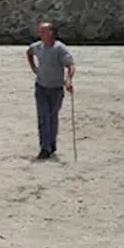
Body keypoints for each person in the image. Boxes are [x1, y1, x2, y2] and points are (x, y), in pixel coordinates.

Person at [26, 21, 75, 160]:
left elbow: (71, 65)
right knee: (43, 117)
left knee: (52, 117)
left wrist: (69, 80)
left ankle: (51, 145)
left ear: (51, 33)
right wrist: (33, 68)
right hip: (41, 87)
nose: (40, 34)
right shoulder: (38, 46)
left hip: (56, 89)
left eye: (43, 31)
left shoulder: (60, 48)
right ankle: (44, 148)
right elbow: (29, 52)